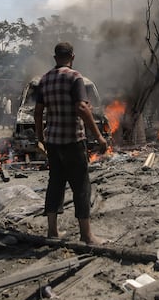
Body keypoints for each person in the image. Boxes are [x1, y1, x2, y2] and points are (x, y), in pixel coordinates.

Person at [34, 42, 107, 245]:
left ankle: (52, 231)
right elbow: (82, 108)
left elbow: (38, 112)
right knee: (81, 186)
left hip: (53, 142)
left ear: (55, 57)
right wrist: (99, 137)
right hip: (73, 141)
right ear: (72, 57)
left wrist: (40, 139)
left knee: (55, 183)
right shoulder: (75, 77)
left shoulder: (44, 79)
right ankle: (86, 235)